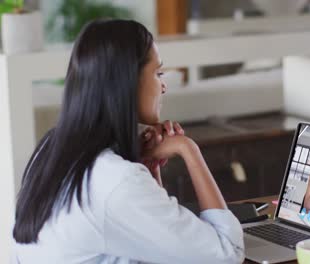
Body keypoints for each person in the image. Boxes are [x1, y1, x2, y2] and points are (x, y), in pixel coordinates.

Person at [12, 19, 244, 264]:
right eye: (158, 73)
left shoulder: (51, 149)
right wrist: (189, 150)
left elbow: (158, 245)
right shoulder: (116, 179)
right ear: (127, 82)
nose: (163, 86)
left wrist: (151, 169)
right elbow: (227, 253)